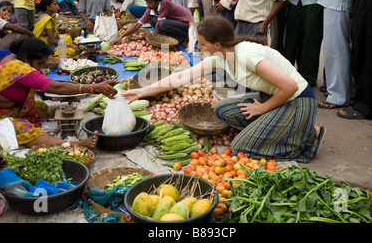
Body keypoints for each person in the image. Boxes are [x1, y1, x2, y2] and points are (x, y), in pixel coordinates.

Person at [122, 16, 325, 162]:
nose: (199, 48)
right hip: (274, 97)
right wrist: (140, 92)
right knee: (222, 109)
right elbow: (181, 77)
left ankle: (307, 136)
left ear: (217, 44)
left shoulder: (246, 55)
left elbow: (289, 87)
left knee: (240, 148)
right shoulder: (221, 56)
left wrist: (262, 109)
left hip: (297, 100)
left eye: (202, 44)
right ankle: (274, 128)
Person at [0, 37, 117, 150]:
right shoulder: (21, 70)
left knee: (40, 106)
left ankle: (63, 116)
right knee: (25, 130)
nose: (42, 68)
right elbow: (56, 87)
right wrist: (93, 87)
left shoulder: (10, 58)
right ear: (26, 58)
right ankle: (74, 145)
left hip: (7, 108)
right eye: (40, 64)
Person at [111, 0, 192, 45]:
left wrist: (154, 41)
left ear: (157, 1)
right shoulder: (151, 8)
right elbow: (137, 25)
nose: (148, 5)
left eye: (150, 2)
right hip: (174, 23)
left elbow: (158, 24)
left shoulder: (165, 2)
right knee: (153, 20)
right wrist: (120, 37)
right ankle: (170, 38)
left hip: (186, 24)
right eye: (147, 3)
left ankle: (182, 37)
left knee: (161, 24)